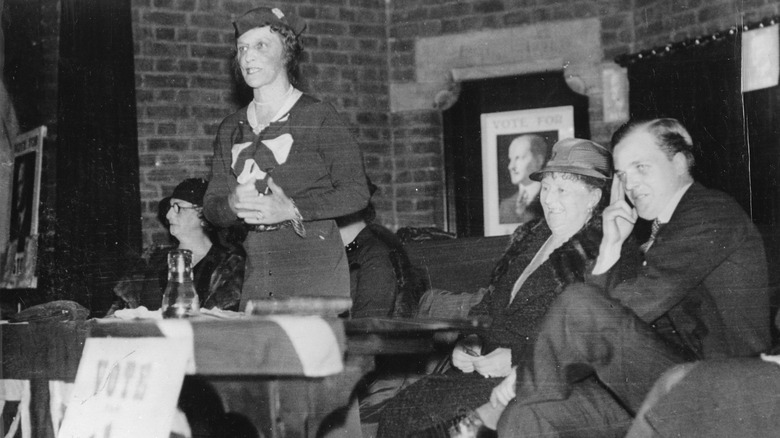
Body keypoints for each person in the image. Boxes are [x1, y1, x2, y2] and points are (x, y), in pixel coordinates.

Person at [495, 118, 771, 437]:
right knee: (529, 416)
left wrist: (525, 373)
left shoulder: (709, 214)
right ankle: (517, 401)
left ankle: (506, 400)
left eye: (641, 167)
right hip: (673, 382)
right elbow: (612, 314)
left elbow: (620, 309)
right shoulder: (663, 227)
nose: (630, 184)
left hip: (728, 394)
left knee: (576, 304)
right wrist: (611, 244)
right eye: (623, 175)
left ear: (678, 163)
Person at [376, 138, 614, 437]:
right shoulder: (531, 238)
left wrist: (517, 359)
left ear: (593, 196)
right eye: (548, 187)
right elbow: (490, 302)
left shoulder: (604, 253)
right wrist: (470, 339)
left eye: (562, 190)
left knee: (432, 423)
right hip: (484, 373)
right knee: (404, 408)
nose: (550, 199)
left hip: (536, 383)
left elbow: (590, 341)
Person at [203, 6, 369, 310]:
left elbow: (357, 193)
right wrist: (231, 204)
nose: (248, 56)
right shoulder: (231, 127)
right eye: (242, 48)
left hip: (314, 274)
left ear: (287, 54)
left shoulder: (317, 115)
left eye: (261, 46)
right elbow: (212, 208)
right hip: (258, 273)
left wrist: (291, 208)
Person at [109, 178, 246, 313]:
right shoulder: (152, 260)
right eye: (170, 207)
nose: (169, 215)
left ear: (203, 215)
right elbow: (117, 315)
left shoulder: (228, 268)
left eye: (178, 207)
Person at [498, 134, 549, 225]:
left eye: (518, 158)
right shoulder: (505, 206)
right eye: (511, 159)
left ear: (539, 161)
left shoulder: (551, 199)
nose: (511, 166)